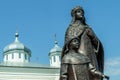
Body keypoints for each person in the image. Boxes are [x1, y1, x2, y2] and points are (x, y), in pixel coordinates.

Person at [62, 6, 107, 80]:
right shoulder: (71, 28)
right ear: (74, 14)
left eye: (82, 11)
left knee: (93, 74)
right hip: (77, 57)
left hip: (91, 56)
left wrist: (93, 36)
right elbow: (68, 44)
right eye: (79, 11)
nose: (81, 13)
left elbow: (97, 43)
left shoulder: (88, 28)